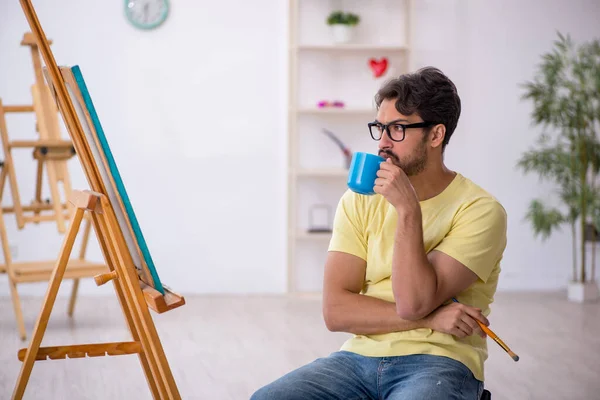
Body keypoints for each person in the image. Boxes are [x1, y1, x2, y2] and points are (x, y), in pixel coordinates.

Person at [251, 66, 507, 400]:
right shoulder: (359, 200)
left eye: (398, 129)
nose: (383, 143)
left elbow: (413, 303)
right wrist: (432, 319)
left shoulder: (480, 210)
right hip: (357, 359)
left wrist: (407, 211)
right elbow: (335, 311)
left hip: (440, 362)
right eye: (380, 128)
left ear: (435, 135)